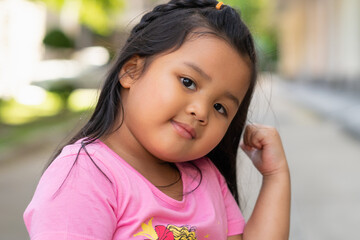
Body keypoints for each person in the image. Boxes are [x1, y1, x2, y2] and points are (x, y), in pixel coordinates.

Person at [24, 1, 291, 239]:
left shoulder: (206, 177)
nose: (201, 111)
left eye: (220, 107)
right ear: (131, 71)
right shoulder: (84, 177)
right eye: (188, 82)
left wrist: (275, 175)